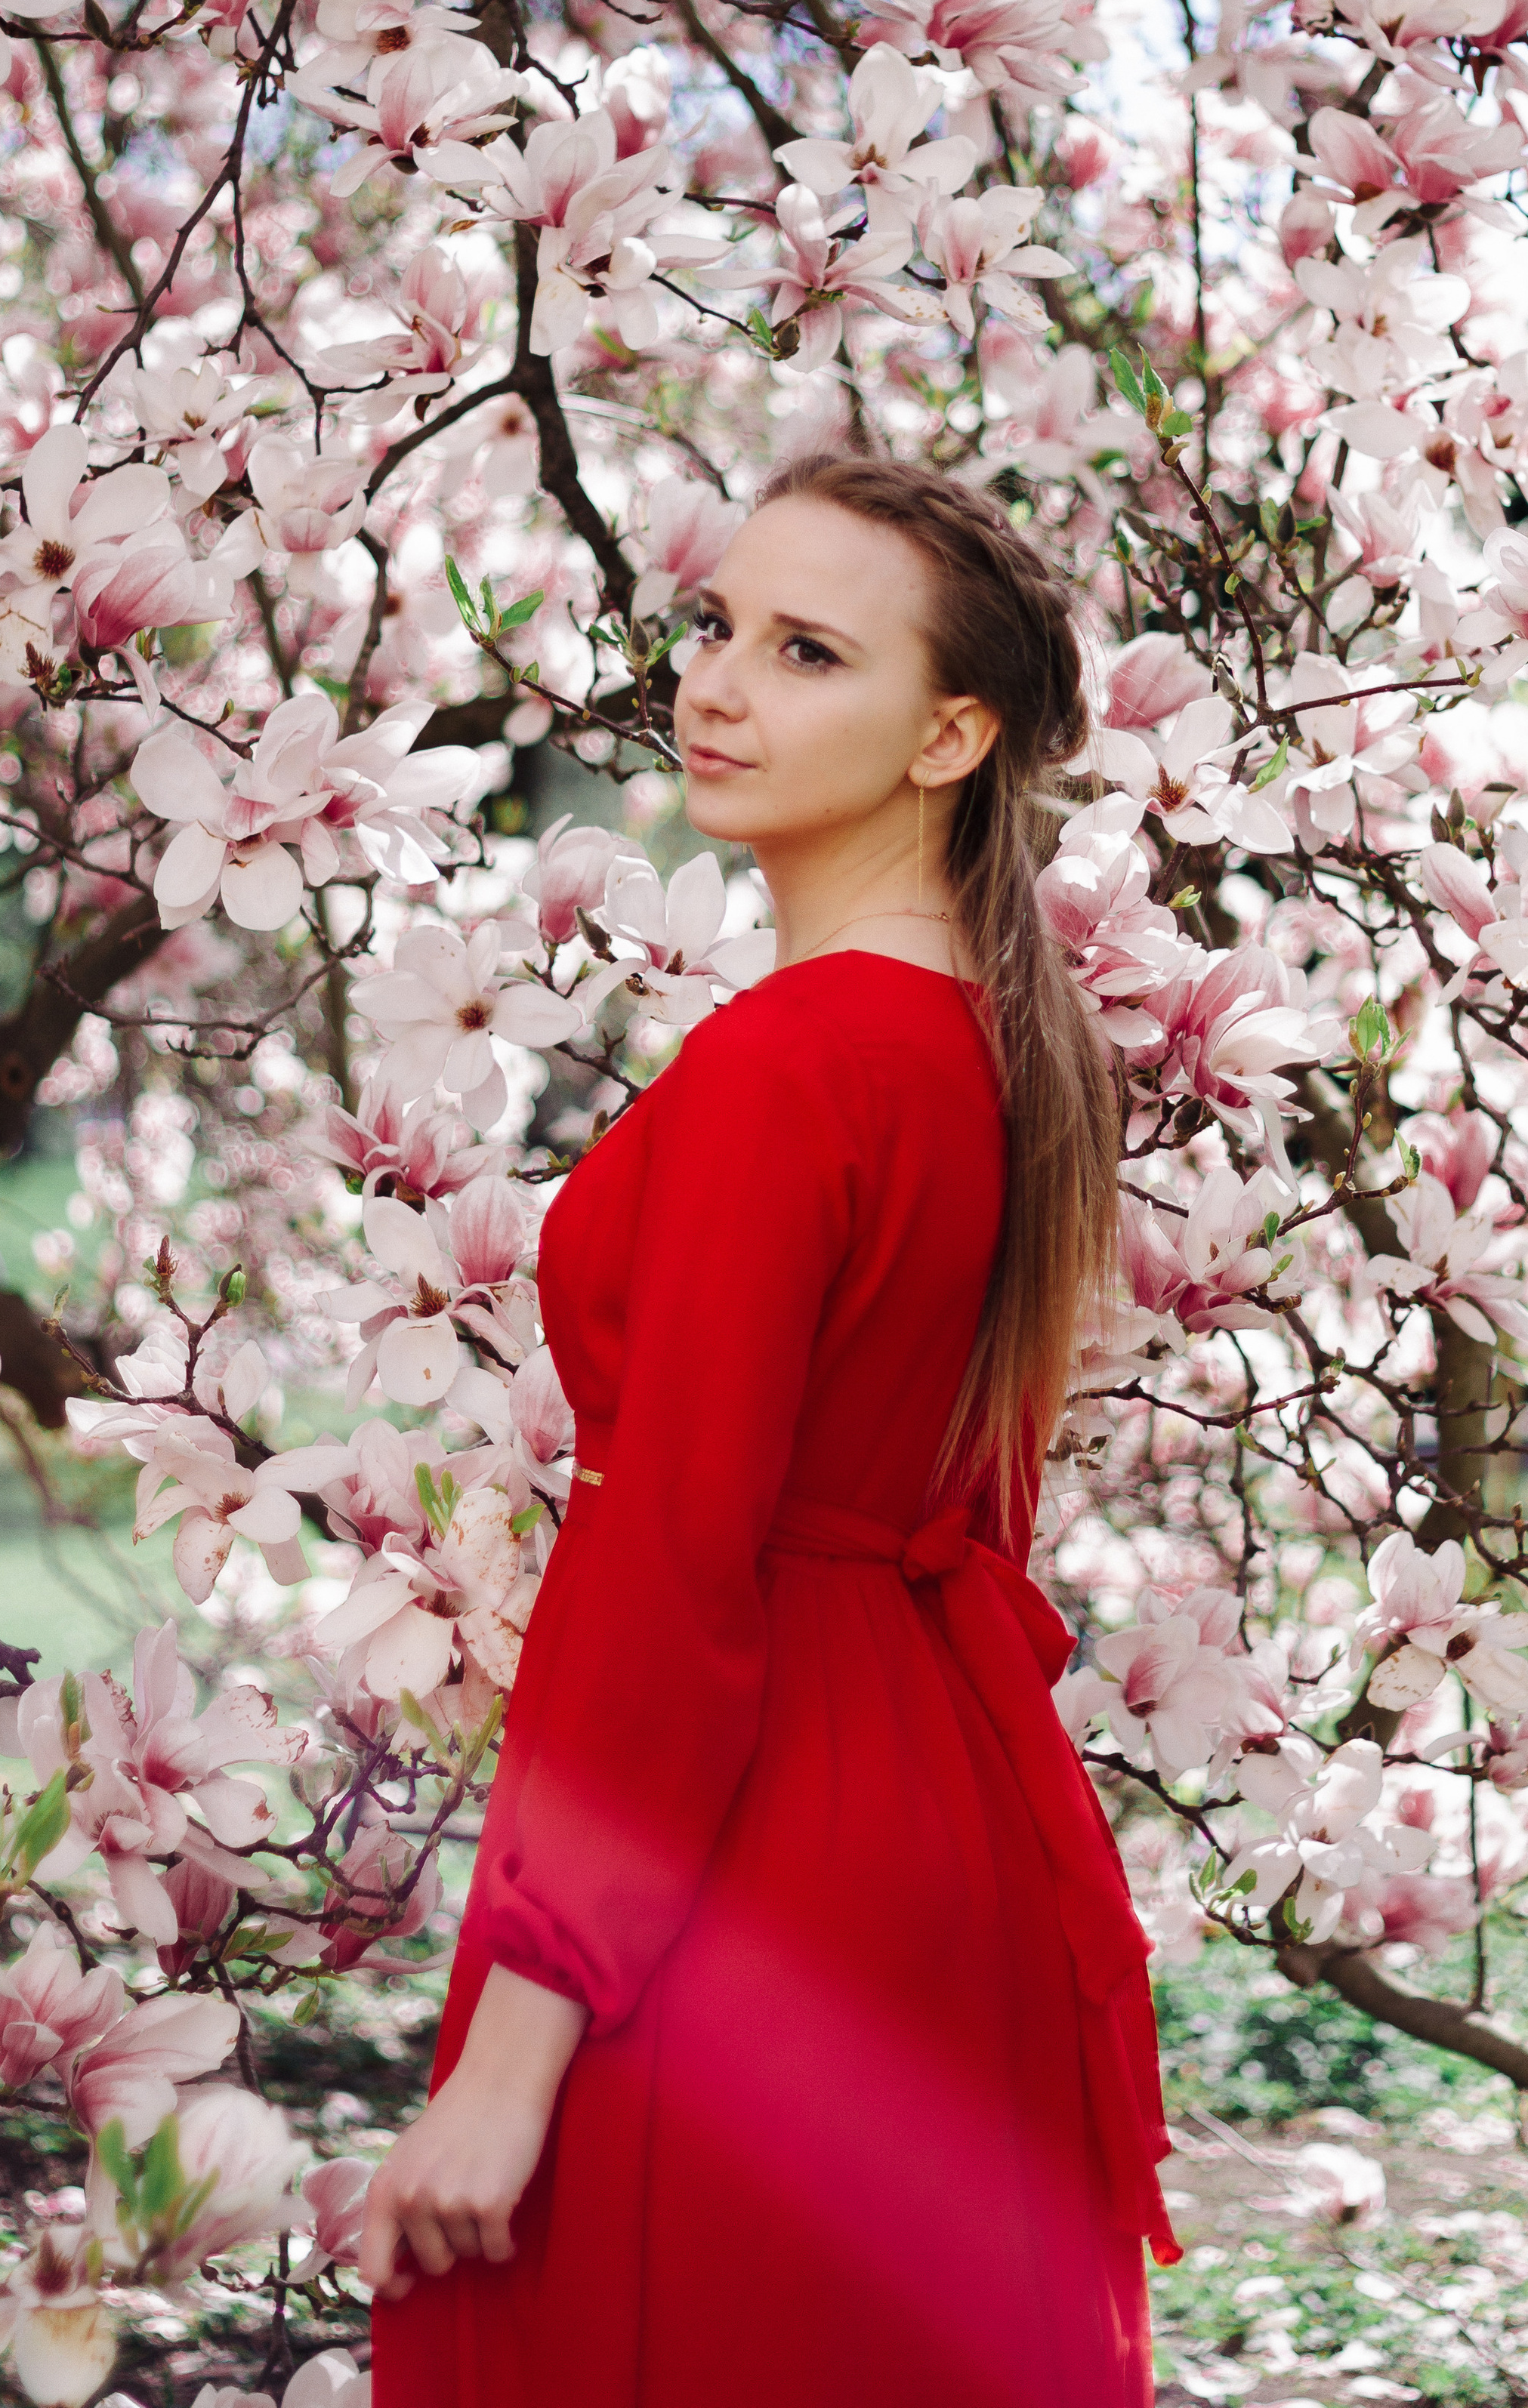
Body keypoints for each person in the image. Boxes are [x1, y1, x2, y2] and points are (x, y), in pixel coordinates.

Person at [365, 454, 1178, 2407]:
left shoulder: (792, 1070)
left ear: (949, 735)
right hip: (940, 1811)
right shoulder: (983, 1044)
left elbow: (678, 1561)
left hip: (739, 1863)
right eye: (717, 626)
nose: (718, 684)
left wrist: (515, 2052)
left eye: (807, 651)